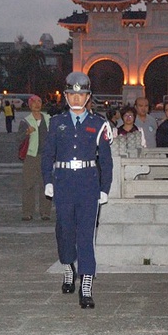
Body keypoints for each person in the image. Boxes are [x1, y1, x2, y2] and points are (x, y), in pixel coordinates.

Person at [41, 72, 113, 309]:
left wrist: (105, 188)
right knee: (64, 232)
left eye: (81, 94)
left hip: (87, 185)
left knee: (85, 236)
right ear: (65, 96)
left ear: (88, 96)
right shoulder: (56, 122)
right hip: (63, 184)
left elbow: (106, 160)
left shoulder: (99, 124)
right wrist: (48, 181)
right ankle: (67, 267)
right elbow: (47, 155)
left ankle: (86, 286)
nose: (76, 98)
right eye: (72, 94)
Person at [17, 95, 52, 221]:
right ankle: (27, 212)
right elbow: (18, 139)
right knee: (28, 185)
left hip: (46, 157)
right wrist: (26, 132)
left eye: (39, 101)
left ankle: (45, 212)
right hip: (31, 156)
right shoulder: (25, 121)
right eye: (34, 102)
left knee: (46, 185)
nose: (37, 104)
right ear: (29, 104)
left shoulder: (49, 119)